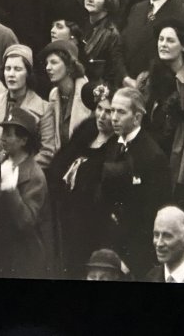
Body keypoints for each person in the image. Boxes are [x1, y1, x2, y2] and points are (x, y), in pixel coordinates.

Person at [99, 88, 172, 277]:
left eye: (121, 112)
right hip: (111, 246)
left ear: (137, 117)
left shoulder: (152, 156)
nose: (113, 117)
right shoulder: (113, 145)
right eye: (112, 110)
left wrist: (130, 260)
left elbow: (151, 216)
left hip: (136, 257)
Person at [49, 83, 117, 278]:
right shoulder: (87, 131)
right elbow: (60, 164)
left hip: (91, 224)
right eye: (100, 109)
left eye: (109, 112)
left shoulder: (115, 147)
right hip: (68, 215)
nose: (102, 116)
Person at [138, 21, 184, 199]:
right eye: (161, 39)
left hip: (177, 161)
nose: (163, 44)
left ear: (183, 46)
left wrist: (182, 176)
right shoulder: (153, 76)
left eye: (170, 40)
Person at [0, 108, 52, 279]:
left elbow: (26, 221)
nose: (2, 138)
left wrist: (10, 189)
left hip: (23, 256)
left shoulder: (35, 175)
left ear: (23, 140)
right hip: (0, 250)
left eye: (9, 134)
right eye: (3, 132)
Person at [0, 44, 55, 167]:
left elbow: (47, 152)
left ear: (28, 73)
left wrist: (17, 170)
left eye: (18, 69)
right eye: (7, 69)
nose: (11, 74)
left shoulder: (44, 109)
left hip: (25, 178)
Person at [42, 38, 91, 151]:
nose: (48, 67)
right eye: (47, 63)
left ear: (69, 66)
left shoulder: (87, 92)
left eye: (54, 62)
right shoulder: (54, 95)